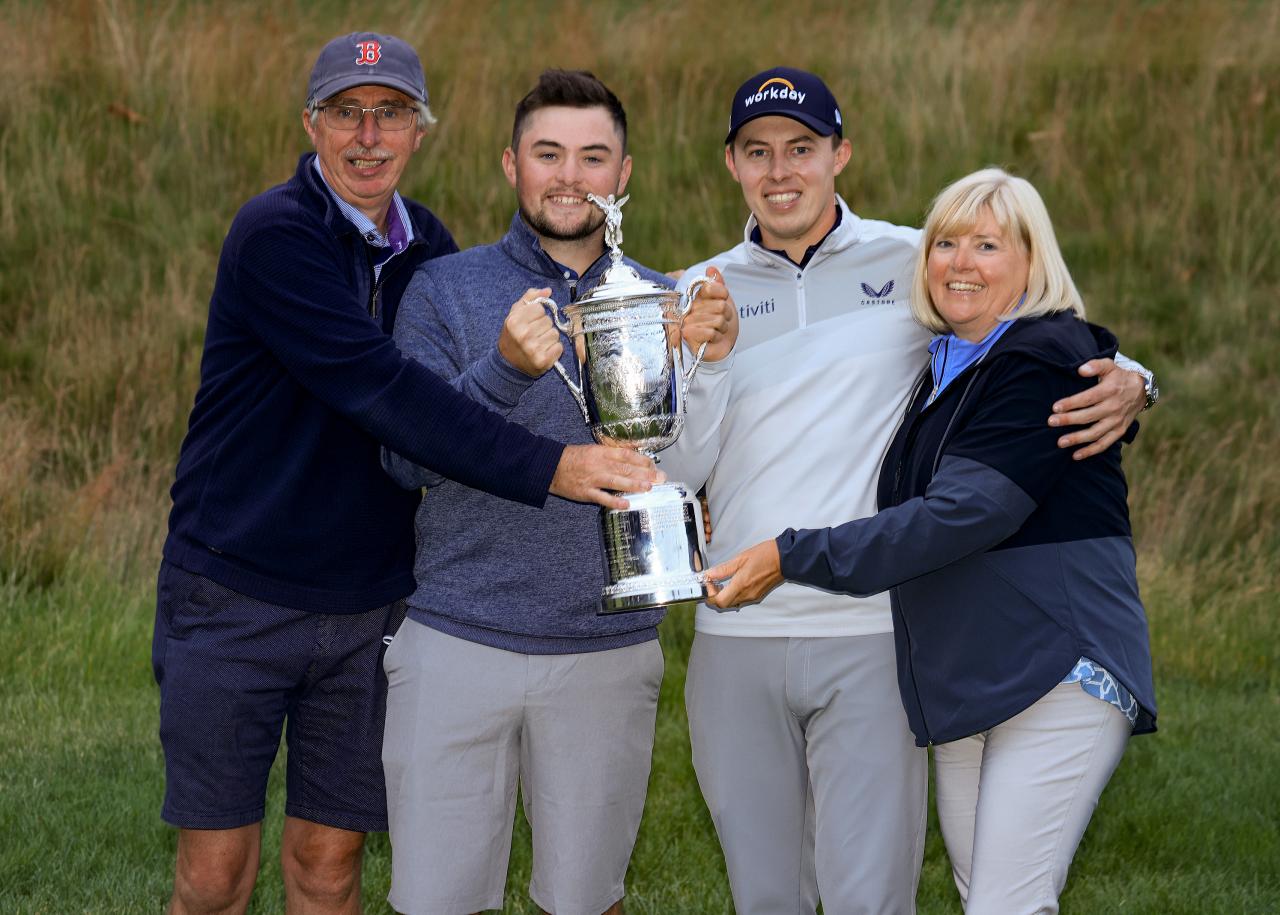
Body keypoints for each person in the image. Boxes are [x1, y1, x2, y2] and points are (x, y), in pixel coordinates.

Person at [154, 37, 659, 915]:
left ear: (420, 131)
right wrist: (559, 468)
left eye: (391, 113)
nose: (367, 135)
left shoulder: (428, 247)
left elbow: (449, 420)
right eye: (346, 112)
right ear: (311, 123)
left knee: (326, 862)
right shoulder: (275, 235)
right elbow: (389, 396)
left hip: (368, 601)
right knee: (214, 876)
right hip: (237, 588)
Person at [657, 68, 1159, 914]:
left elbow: (1043, 340)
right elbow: (672, 475)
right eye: (757, 152)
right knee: (765, 895)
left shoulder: (918, 261)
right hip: (736, 626)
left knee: (873, 899)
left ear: (839, 155)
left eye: (802, 149)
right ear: (733, 167)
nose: (781, 172)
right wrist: (702, 365)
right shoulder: (694, 288)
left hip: (875, 632)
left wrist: (1137, 380)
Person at [379, 70, 736, 915]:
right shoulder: (443, 290)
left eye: (593, 156)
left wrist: (708, 364)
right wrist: (503, 369)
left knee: (586, 902)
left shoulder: (664, 301)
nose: (569, 175)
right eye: (548, 153)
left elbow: (690, 470)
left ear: (626, 174)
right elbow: (403, 464)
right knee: (435, 902)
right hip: (458, 642)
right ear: (511, 165)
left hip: (606, 651)